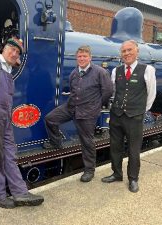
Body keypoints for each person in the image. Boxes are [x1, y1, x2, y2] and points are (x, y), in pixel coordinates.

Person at [0, 37, 44, 209]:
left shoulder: (8, 69)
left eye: (17, 52)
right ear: (3, 49)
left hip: (4, 117)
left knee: (10, 154)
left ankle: (20, 192)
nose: (14, 53)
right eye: (11, 49)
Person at [43, 45, 113, 182]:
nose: (82, 59)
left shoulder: (100, 72)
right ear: (76, 58)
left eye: (84, 56)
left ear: (90, 58)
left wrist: (96, 105)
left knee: (87, 142)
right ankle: (56, 142)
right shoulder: (74, 73)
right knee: (50, 119)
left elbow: (108, 91)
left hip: (87, 112)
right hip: (71, 107)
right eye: (79, 56)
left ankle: (89, 170)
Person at [101, 40, 156, 193]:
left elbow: (151, 94)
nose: (126, 53)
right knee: (115, 147)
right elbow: (113, 92)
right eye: (124, 51)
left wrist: (140, 111)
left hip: (135, 117)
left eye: (129, 50)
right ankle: (117, 174)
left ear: (137, 51)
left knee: (133, 150)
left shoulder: (147, 69)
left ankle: (133, 179)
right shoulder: (116, 71)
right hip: (116, 116)